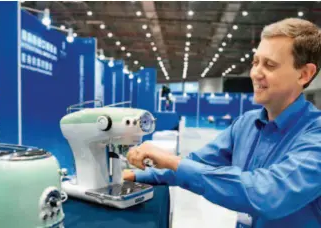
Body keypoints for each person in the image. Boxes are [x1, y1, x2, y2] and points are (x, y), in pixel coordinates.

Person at [124, 18, 321, 228]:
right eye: (255, 62)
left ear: (304, 74)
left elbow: (267, 193)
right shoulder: (245, 125)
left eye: (269, 65)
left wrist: (172, 161)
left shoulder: (315, 137)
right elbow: (198, 163)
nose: (256, 73)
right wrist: (134, 174)